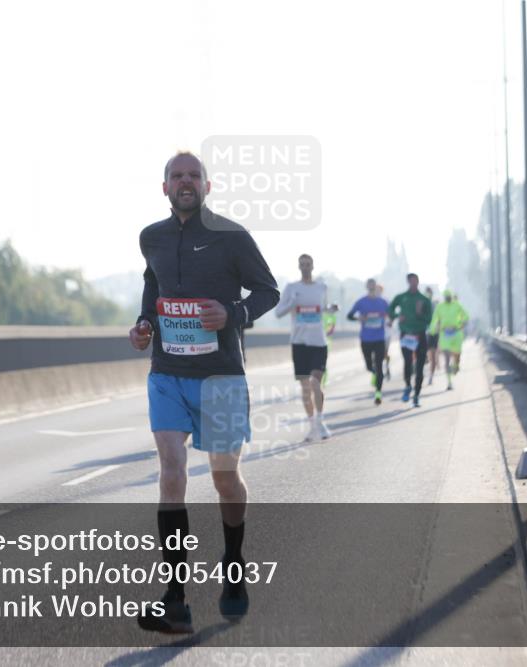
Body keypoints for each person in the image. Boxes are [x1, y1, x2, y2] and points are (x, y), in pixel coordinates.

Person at [130, 151, 279, 633]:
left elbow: (268, 291)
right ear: (165, 187)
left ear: (207, 186)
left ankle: (233, 566)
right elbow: (152, 285)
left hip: (221, 378)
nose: (186, 181)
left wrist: (232, 314)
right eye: (177, 175)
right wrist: (144, 323)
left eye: (194, 175)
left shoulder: (231, 237)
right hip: (167, 373)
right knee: (171, 473)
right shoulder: (151, 237)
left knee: (224, 479)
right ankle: (176, 599)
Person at [275, 254, 331, 441]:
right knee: (305, 387)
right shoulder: (291, 288)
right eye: (302, 264)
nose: (305, 267)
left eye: (308, 264)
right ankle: (312, 425)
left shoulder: (322, 287)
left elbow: (324, 307)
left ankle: (320, 421)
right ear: (299, 267)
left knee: (315, 383)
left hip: (319, 342)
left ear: (313, 266)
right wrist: (292, 303)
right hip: (299, 343)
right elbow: (278, 313)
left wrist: (331, 308)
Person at [387, 273, 433, 408]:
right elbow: (390, 309)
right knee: (407, 362)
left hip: (420, 335)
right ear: (408, 282)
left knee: (420, 366)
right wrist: (397, 316)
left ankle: (417, 395)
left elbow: (429, 319)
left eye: (415, 281)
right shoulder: (401, 297)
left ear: (418, 281)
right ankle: (408, 385)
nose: (413, 283)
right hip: (406, 335)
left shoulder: (424, 299)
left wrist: (420, 314)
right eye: (411, 281)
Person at [347, 278, 389, 405]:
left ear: (376, 286)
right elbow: (349, 316)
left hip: (379, 339)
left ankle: (378, 393)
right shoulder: (361, 302)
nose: (371, 287)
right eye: (369, 285)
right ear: (366, 286)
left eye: (373, 285)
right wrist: (358, 318)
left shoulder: (383, 302)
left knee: (379, 365)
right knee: (369, 366)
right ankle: (375, 373)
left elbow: (392, 313)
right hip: (366, 339)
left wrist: (390, 319)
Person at [429, 289, 469, 390]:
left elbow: (466, 316)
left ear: (452, 296)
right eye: (447, 297)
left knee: (457, 356)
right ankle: (449, 382)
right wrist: (432, 330)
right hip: (445, 335)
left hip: (456, 334)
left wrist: (461, 324)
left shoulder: (457, 305)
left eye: (449, 297)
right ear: (444, 297)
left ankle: (456, 365)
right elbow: (434, 319)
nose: (448, 299)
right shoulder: (440, 307)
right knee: (446, 359)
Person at [424, 286, 439, 386]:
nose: (428, 294)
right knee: (423, 356)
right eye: (427, 292)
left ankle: (431, 377)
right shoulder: (422, 303)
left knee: (433, 356)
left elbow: (440, 317)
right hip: (423, 333)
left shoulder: (435, 304)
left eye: (429, 292)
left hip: (433, 333)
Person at [377, 284, 392, 381]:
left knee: (385, 353)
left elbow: (391, 314)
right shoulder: (371, 302)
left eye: (379, 290)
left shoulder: (386, 302)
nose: (378, 292)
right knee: (377, 354)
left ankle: (386, 367)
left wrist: (390, 321)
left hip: (386, 333)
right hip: (375, 334)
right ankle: (379, 372)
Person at [321, 303, 339, 386]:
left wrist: (324, 335)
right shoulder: (322, 315)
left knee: (323, 361)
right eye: (333, 309)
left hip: (326, 342)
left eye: (335, 310)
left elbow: (331, 330)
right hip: (317, 340)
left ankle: (323, 381)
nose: (333, 311)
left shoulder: (333, 318)